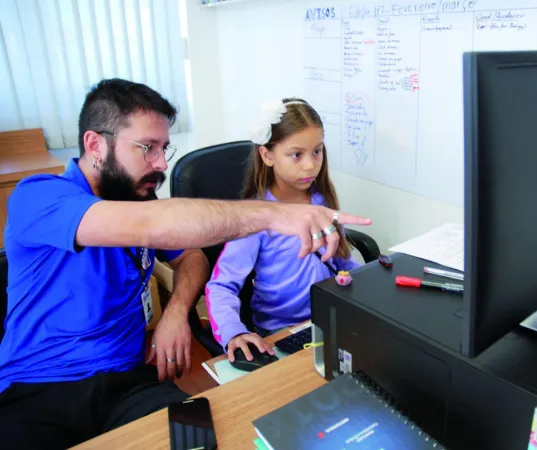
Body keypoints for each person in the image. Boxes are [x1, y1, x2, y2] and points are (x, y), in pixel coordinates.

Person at [0, 80, 370, 449]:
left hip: (128, 381)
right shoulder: (38, 195)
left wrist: (176, 312)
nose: (162, 163)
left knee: (206, 440)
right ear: (96, 144)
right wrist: (276, 215)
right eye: (147, 148)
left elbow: (191, 255)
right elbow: (157, 226)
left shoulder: (138, 199)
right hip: (38, 385)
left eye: (164, 148)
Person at [205, 98, 361, 363]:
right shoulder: (254, 219)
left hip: (327, 317)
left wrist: (373, 280)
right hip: (281, 330)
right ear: (267, 155)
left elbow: (341, 260)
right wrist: (233, 332)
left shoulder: (322, 201)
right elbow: (221, 286)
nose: (311, 165)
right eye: (296, 154)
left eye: (317, 151)